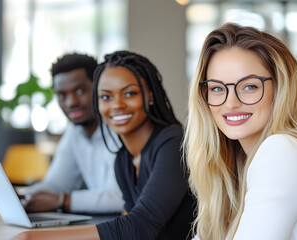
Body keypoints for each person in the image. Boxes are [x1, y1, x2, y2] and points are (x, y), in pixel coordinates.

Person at [184, 23, 297, 240]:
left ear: (280, 88)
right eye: (217, 88)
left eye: (249, 86)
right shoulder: (242, 163)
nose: (231, 103)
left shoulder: (282, 151)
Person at [13, 51, 195, 240]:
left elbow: (141, 225)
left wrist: (35, 237)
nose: (117, 105)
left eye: (129, 93)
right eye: (106, 97)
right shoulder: (123, 159)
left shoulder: (173, 142)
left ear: (150, 95)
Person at [24, 53, 124, 214]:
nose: (71, 103)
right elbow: (55, 185)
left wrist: (62, 200)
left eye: (80, 91)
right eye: (62, 95)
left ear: (99, 87)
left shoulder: (120, 128)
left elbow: (119, 198)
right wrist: (24, 196)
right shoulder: (74, 132)